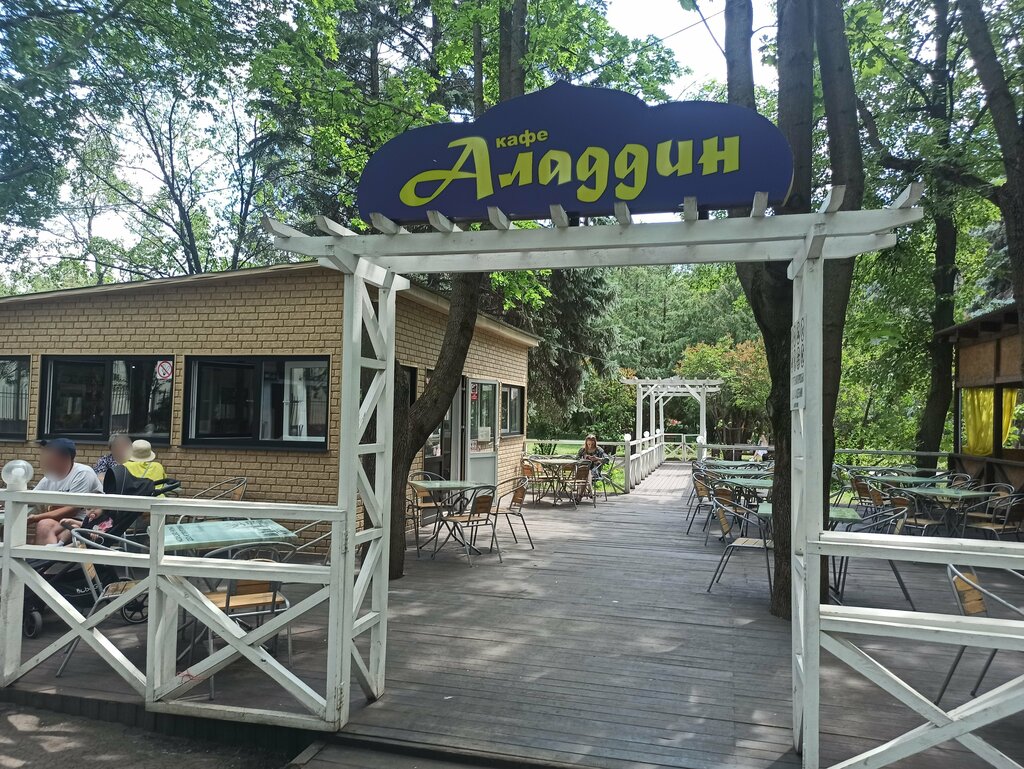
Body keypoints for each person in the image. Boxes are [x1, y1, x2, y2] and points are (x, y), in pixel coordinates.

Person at [28, 438, 103, 545]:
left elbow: (72, 509)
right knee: (41, 531)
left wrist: (35, 518)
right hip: (61, 522)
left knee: (44, 525)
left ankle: (48, 555)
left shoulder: (83, 473)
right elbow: (31, 498)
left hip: (87, 522)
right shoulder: (49, 477)